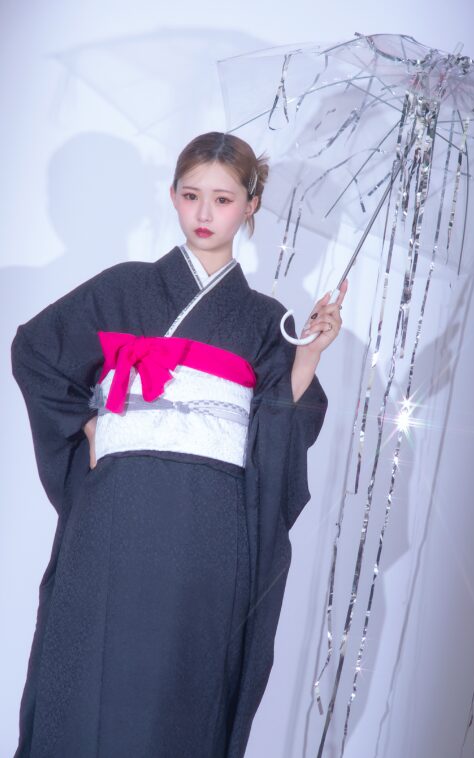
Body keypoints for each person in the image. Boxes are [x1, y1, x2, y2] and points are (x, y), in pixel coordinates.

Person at [10, 131, 348, 758]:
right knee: (91, 674)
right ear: (172, 196)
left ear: (251, 204)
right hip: (116, 518)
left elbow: (281, 427)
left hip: (210, 532)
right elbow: (36, 350)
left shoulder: (266, 321)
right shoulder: (124, 288)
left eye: (222, 199)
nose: (204, 213)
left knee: (186, 687)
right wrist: (89, 425)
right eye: (191, 196)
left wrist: (307, 358)